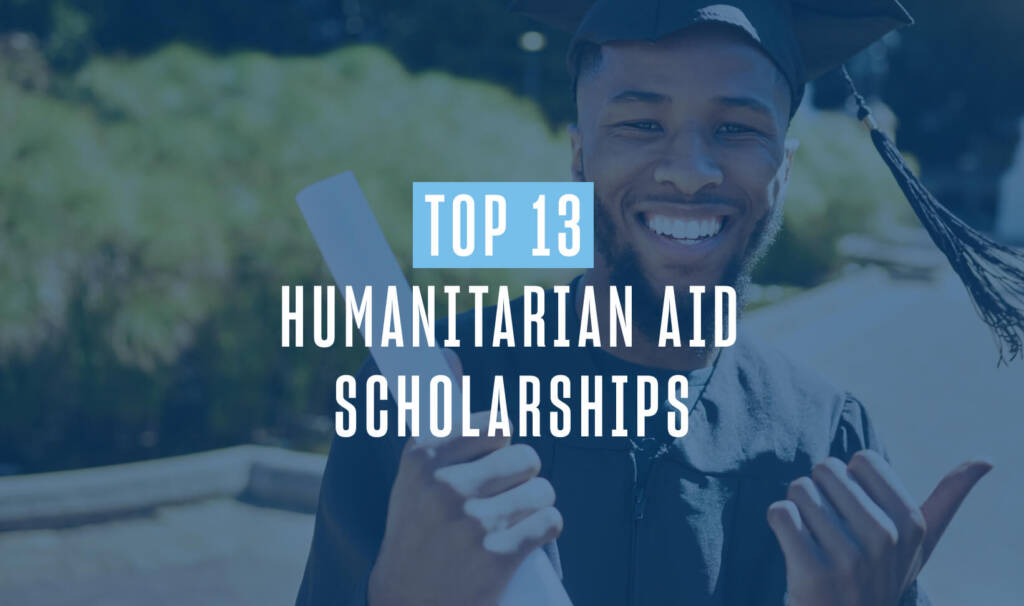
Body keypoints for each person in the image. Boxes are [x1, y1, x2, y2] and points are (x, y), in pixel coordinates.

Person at [296, 1, 994, 604]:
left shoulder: (823, 443)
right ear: (578, 156)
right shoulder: (431, 397)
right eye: (640, 124)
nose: (689, 172)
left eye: (736, 129)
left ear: (781, 170)